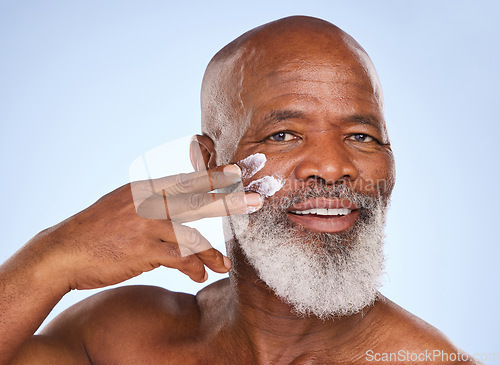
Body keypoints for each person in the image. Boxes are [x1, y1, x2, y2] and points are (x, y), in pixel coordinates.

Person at [0, 16, 477, 365]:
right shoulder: (118, 341)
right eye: (283, 134)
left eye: (362, 137)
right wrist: (52, 256)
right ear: (210, 164)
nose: (334, 167)